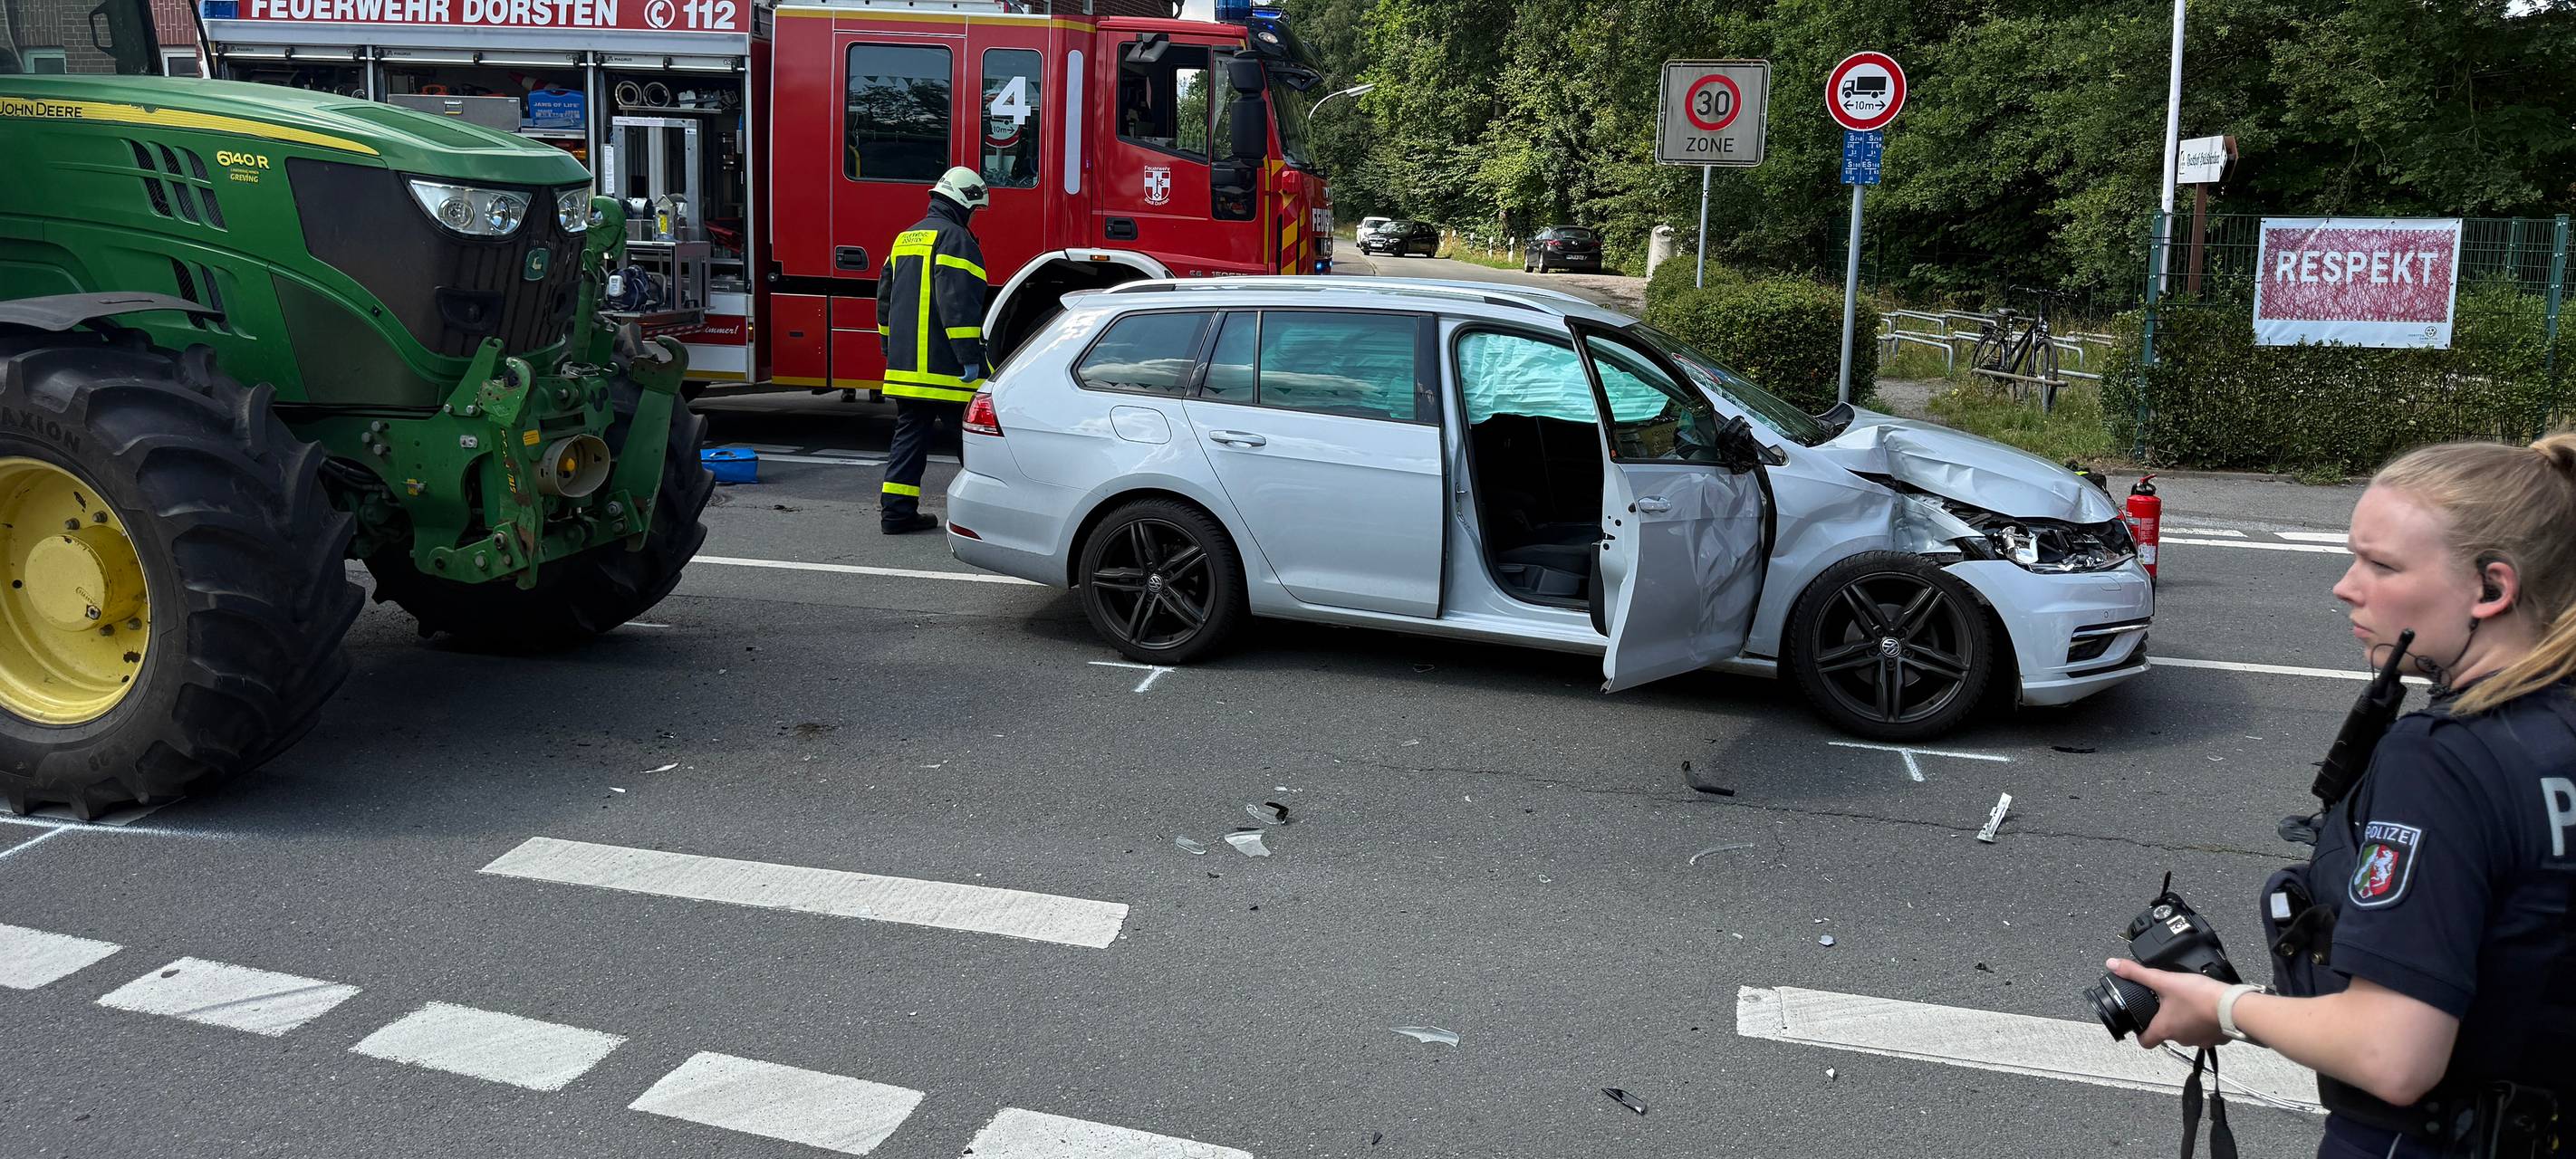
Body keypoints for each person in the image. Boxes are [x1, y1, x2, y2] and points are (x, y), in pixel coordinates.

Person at [2110, 434, 2576, 1158]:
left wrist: (2225, 1007)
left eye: (2382, 564)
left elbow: (2397, 1054)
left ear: (2492, 588)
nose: (2346, 585)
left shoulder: (2445, 759)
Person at [874, 166, 990, 534]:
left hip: (906, 369)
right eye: (973, 209)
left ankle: (896, 513)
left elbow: (884, 300)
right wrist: (970, 358)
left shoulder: (905, 238)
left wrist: (890, 347)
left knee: (908, 440)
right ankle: (984, 517)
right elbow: (958, 304)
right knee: (972, 446)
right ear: (963, 201)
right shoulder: (956, 239)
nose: (973, 217)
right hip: (946, 370)